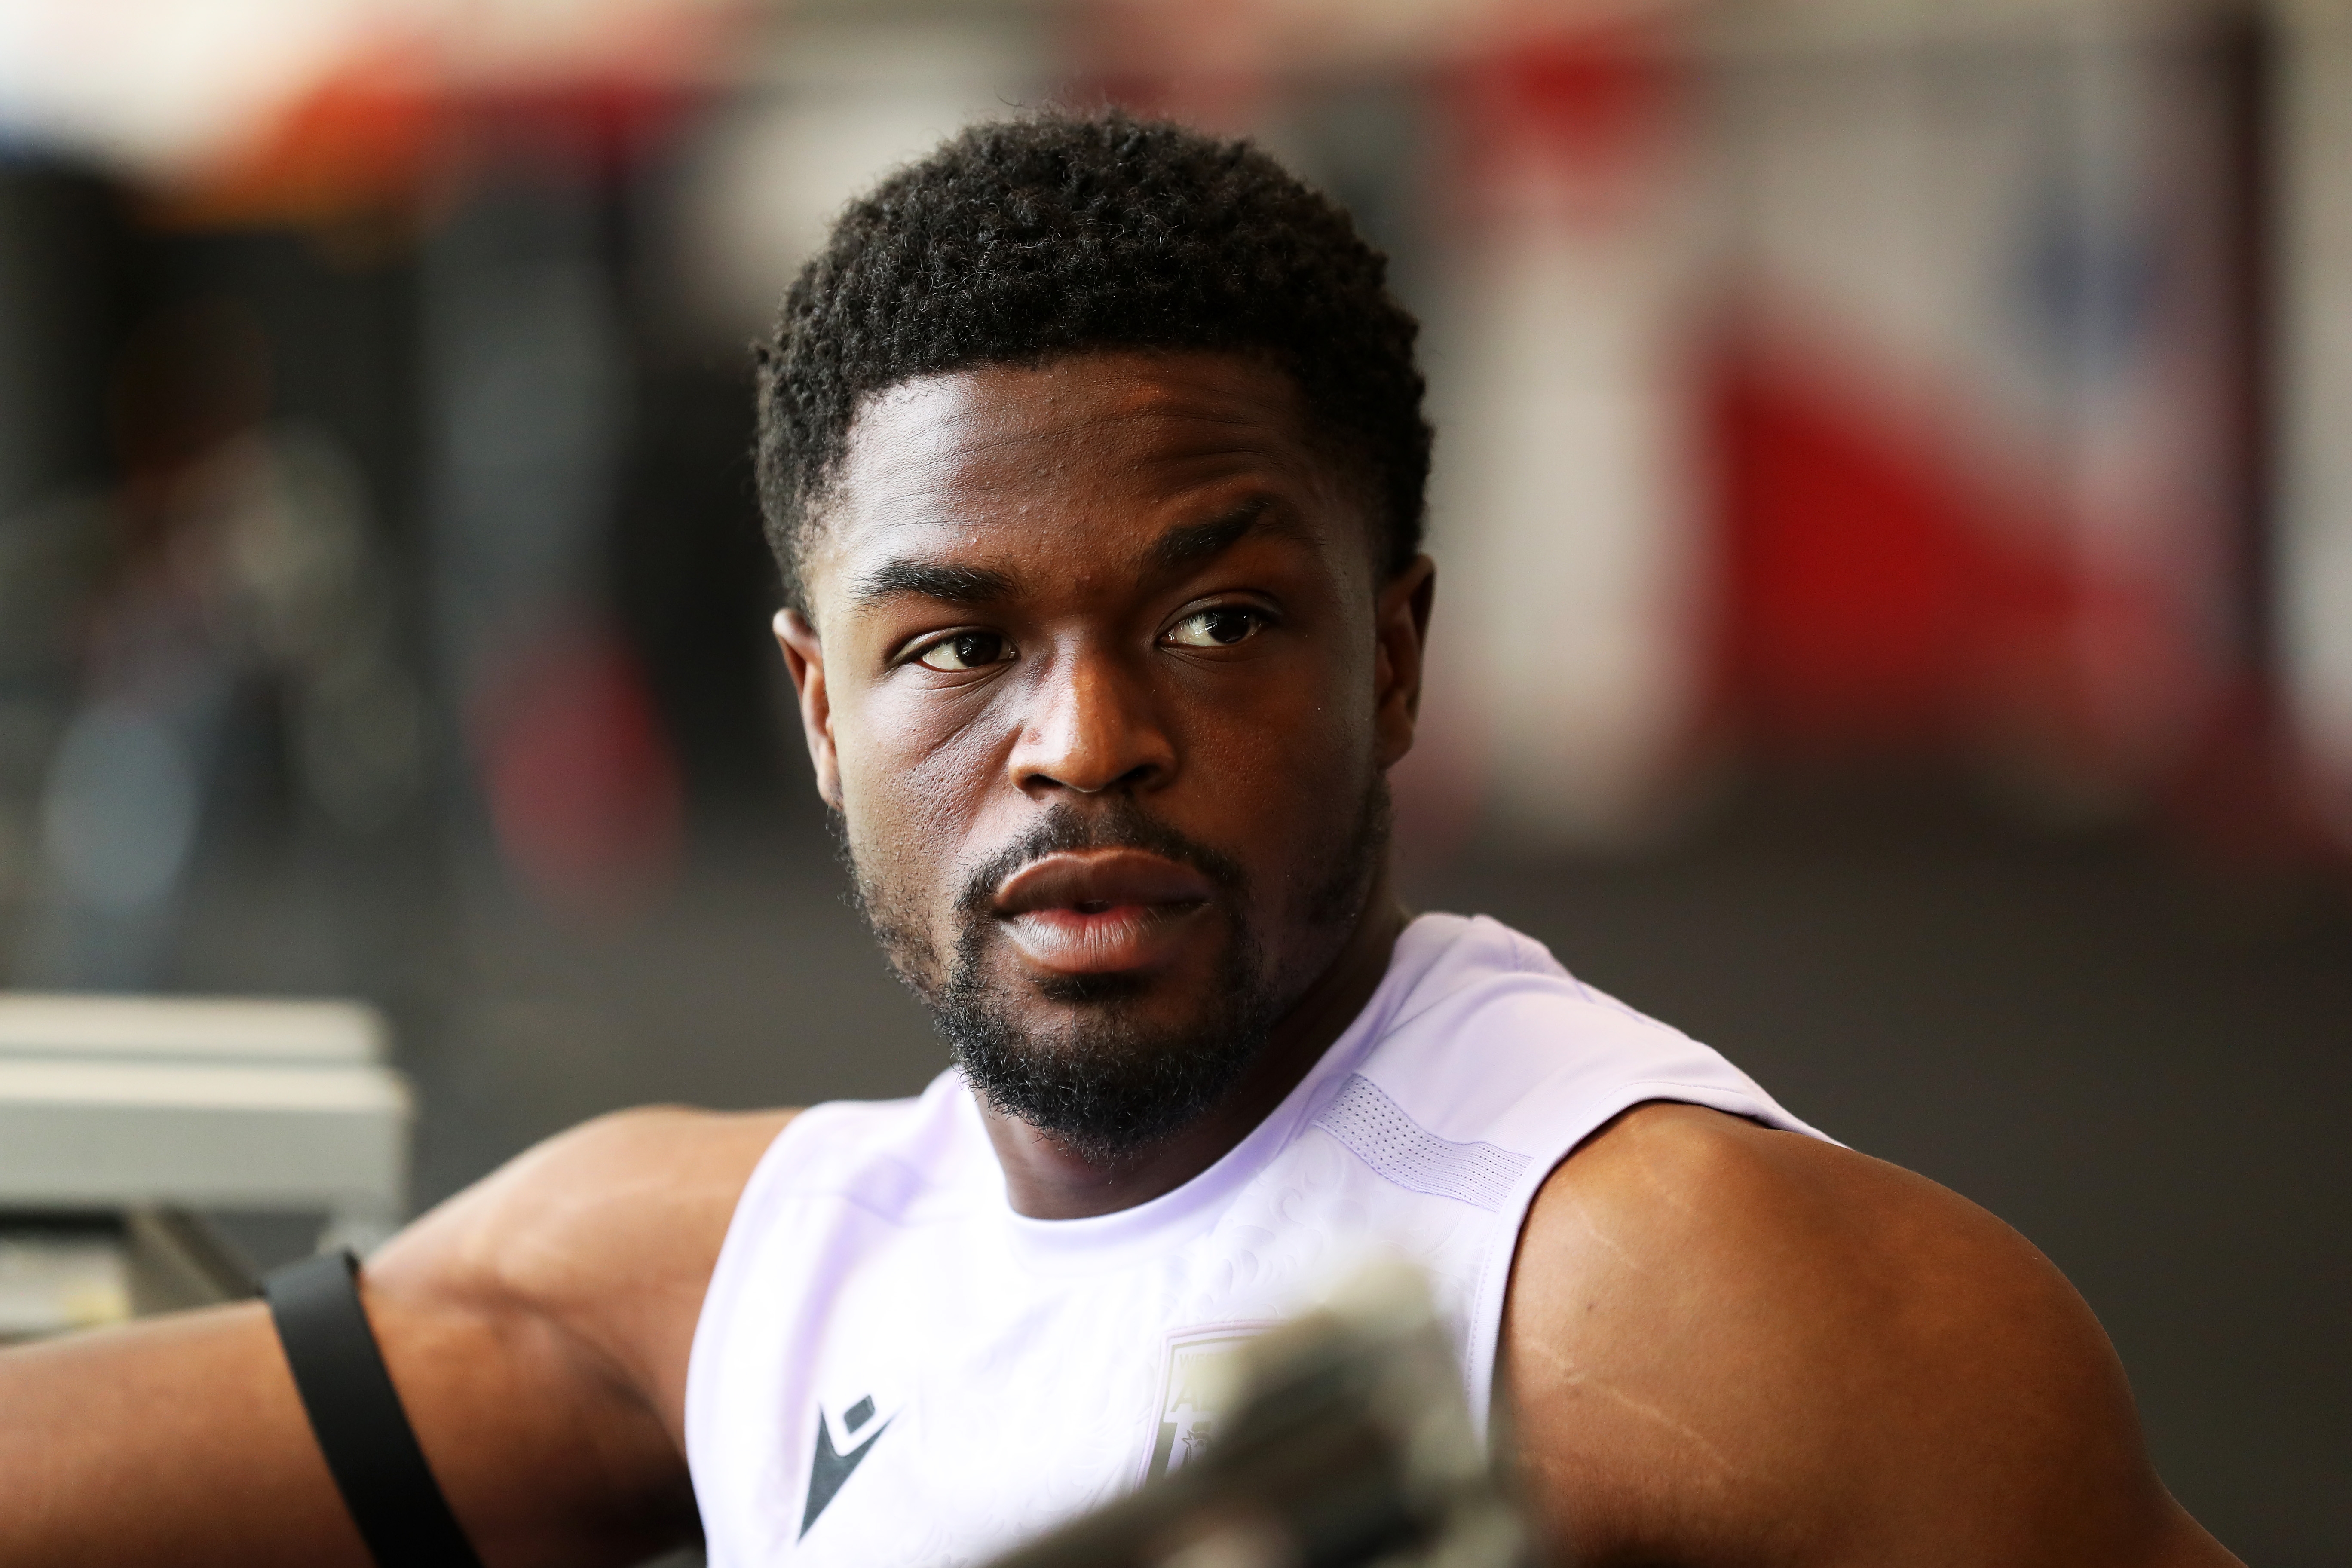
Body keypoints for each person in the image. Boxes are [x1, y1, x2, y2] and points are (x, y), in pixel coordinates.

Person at [0, 111, 2240, 1568]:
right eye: (958, 646)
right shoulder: (694, 1279)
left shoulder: (1688, 1291)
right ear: (817, 708)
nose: (1086, 742)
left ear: (1391, 659)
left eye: (1214, 618)